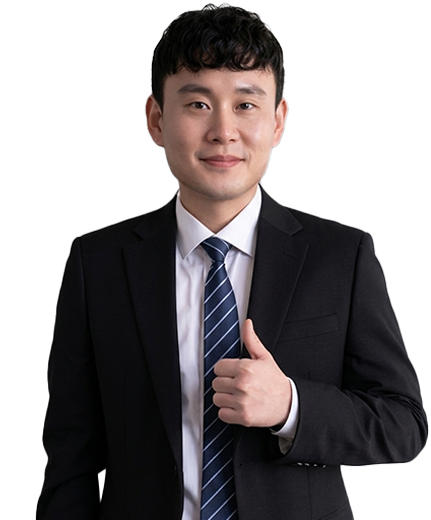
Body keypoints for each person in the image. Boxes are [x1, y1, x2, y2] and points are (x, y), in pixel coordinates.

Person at [36, 4, 427, 520]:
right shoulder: (99, 263)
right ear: (156, 119)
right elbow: (70, 460)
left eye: (245, 105)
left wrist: (290, 406)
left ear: (278, 121)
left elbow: (404, 424)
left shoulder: (340, 256)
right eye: (198, 104)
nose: (223, 130)